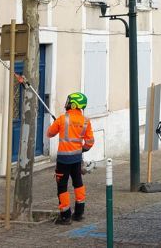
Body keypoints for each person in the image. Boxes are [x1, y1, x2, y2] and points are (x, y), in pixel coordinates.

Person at [47, 92, 95, 225]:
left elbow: (49, 133)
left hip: (63, 160)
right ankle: (79, 213)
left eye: (68, 101)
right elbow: (90, 142)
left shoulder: (62, 119)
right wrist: (82, 149)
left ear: (73, 104)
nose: (66, 103)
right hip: (76, 158)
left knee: (62, 186)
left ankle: (65, 216)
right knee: (78, 183)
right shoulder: (86, 121)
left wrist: (57, 124)